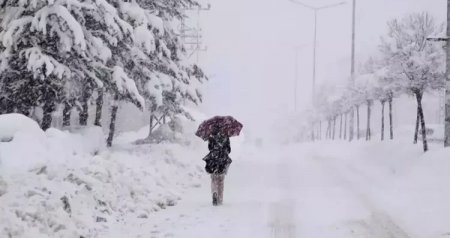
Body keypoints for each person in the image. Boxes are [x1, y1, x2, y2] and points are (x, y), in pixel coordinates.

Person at [203, 126, 232, 206]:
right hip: (222, 159)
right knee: (221, 180)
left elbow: (209, 148)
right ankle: (220, 198)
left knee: (213, 179)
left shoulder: (211, 136)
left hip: (213, 159)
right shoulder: (225, 136)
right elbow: (229, 150)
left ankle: (214, 192)